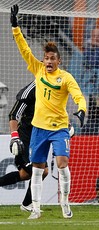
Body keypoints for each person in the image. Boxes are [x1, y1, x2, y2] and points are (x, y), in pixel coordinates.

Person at [10, 4, 87, 219]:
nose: (49, 61)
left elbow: (78, 95)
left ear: (58, 60)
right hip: (39, 129)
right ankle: (35, 208)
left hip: (60, 128)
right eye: (47, 58)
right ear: (44, 60)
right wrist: (15, 26)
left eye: (53, 58)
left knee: (62, 164)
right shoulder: (38, 70)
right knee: (36, 169)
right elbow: (24, 48)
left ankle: (65, 203)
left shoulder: (66, 77)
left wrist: (81, 110)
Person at [0, 81, 48, 212]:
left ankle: (26, 204)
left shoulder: (54, 89)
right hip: (24, 138)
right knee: (41, 171)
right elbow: (14, 114)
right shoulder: (31, 90)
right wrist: (14, 137)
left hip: (39, 137)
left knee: (24, 175)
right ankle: (28, 204)